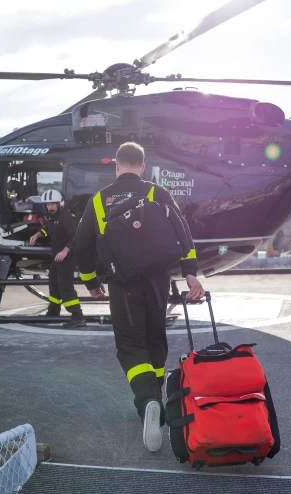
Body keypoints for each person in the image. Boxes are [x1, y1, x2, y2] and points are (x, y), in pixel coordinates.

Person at [74, 142, 205, 452]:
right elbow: (182, 231)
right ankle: (155, 397)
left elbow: (83, 246)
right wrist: (190, 271)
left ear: (117, 166)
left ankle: (147, 400)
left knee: (131, 345)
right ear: (143, 167)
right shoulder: (157, 193)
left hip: (122, 284)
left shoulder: (99, 199)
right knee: (155, 338)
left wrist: (91, 281)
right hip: (158, 281)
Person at [29, 189, 86, 329]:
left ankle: (78, 317)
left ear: (59, 203)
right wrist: (38, 234)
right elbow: (48, 228)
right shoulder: (53, 218)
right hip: (57, 258)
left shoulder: (66, 217)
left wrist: (65, 251)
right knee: (53, 283)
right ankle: (53, 312)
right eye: (48, 205)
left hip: (67, 257)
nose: (50, 207)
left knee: (65, 286)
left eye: (53, 204)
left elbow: (76, 236)